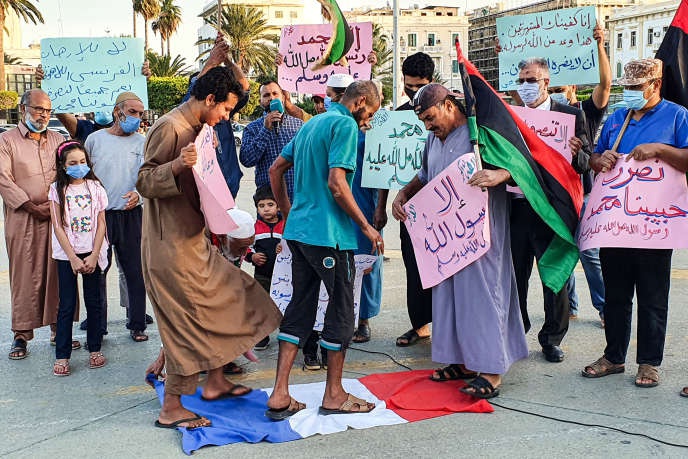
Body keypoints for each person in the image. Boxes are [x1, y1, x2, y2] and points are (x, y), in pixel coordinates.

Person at [136, 66, 282, 429]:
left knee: (236, 294)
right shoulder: (170, 127)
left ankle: (215, 382)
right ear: (210, 99)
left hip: (195, 241)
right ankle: (172, 407)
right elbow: (143, 180)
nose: (226, 118)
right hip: (169, 246)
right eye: (226, 110)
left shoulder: (201, 129)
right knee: (186, 325)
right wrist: (176, 163)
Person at [392, 84, 528, 399]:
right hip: (446, 237)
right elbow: (424, 175)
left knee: (481, 296)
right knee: (450, 299)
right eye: (423, 121)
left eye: (430, 117)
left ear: (450, 105)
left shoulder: (481, 132)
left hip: (480, 234)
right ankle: (463, 362)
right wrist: (403, 193)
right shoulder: (432, 139)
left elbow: (524, 163)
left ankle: (491, 371)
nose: (428, 126)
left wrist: (500, 175)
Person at [265, 80, 383, 419]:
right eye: (370, 114)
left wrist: (289, 212)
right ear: (360, 102)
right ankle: (334, 394)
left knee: (299, 308)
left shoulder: (311, 123)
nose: (368, 122)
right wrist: (366, 225)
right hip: (330, 236)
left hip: (300, 233)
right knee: (343, 313)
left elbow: (276, 169)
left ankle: (279, 393)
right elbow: (337, 183)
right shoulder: (344, 123)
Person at [581, 58, 688, 388]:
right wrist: (602, 160)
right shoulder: (617, 118)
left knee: (654, 297)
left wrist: (658, 149)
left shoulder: (677, 116)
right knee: (616, 295)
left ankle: (649, 363)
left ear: (655, 85)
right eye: (625, 88)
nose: (629, 93)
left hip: (656, 225)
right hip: (616, 223)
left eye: (635, 88)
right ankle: (614, 356)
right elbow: (595, 160)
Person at [512, 57, 591, 363]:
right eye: (521, 80)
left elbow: (587, 162)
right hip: (518, 208)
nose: (525, 86)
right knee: (515, 276)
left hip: (553, 211)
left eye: (531, 80)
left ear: (546, 81)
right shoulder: (513, 117)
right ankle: (517, 332)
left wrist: (575, 154)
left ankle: (552, 339)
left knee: (554, 279)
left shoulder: (570, 116)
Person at [548, 24, 610, 325]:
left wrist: (600, 46)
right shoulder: (543, 114)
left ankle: (604, 307)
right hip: (553, 193)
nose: (555, 94)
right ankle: (569, 306)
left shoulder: (584, 111)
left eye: (560, 88)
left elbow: (606, 85)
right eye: (552, 89)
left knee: (590, 253)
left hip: (581, 193)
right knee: (561, 250)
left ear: (572, 89)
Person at [0, 89, 62, 360]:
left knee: (57, 274)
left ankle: (59, 330)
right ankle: (21, 336)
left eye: (47, 110)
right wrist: (30, 206)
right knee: (24, 275)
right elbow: (3, 179)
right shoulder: (6, 141)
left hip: (55, 216)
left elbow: (68, 173)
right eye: (38, 109)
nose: (43, 115)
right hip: (22, 217)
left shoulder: (59, 139)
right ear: (23, 109)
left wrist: (56, 205)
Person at [84, 91, 150, 342]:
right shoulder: (94, 140)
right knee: (98, 271)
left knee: (135, 270)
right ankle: (97, 326)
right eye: (132, 112)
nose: (137, 118)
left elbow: (147, 177)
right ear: (117, 112)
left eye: (140, 113)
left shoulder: (142, 142)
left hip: (132, 215)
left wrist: (139, 195)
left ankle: (137, 324)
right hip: (100, 217)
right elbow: (84, 175)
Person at [49, 141, 109, 376]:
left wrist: (94, 254)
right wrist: (72, 257)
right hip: (67, 256)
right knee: (67, 304)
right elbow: (57, 225)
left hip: (92, 252)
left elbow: (102, 223)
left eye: (82, 162)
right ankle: (62, 355)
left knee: (94, 302)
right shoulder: (56, 190)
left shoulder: (96, 187)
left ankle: (94, 348)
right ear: (63, 166)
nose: (79, 166)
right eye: (73, 163)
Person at [391, 52, 435, 347]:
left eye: (419, 86)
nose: (413, 93)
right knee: (413, 267)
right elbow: (384, 168)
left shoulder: (450, 111)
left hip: (446, 203)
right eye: (408, 87)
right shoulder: (397, 116)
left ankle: (447, 325)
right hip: (410, 206)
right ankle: (419, 325)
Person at [183, 33, 250, 198]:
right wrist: (211, 62)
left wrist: (227, 61)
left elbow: (244, 86)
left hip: (229, 188)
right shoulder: (185, 117)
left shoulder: (222, 111)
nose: (227, 116)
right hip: (205, 194)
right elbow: (192, 98)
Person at [351, 80, 387, 344]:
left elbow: (385, 170)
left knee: (367, 262)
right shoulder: (339, 124)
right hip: (341, 201)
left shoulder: (381, 126)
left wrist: (380, 207)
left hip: (367, 201)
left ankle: (363, 319)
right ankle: (345, 316)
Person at [240, 79, 304, 199]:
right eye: (266, 95)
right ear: (260, 102)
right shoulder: (252, 128)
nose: (271, 98)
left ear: (283, 98)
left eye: (275, 94)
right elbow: (246, 160)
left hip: (298, 199)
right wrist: (265, 130)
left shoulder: (299, 125)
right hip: (269, 202)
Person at [245, 186, 285, 351]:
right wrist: (252, 257)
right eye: (261, 206)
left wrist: (284, 247)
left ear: (279, 206)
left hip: (283, 276)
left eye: (270, 204)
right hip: (262, 275)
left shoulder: (285, 226)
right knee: (261, 305)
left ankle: (286, 334)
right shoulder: (254, 228)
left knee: (283, 304)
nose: (266, 209)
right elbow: (246, 248)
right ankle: (262, 335)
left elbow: (293, 246)